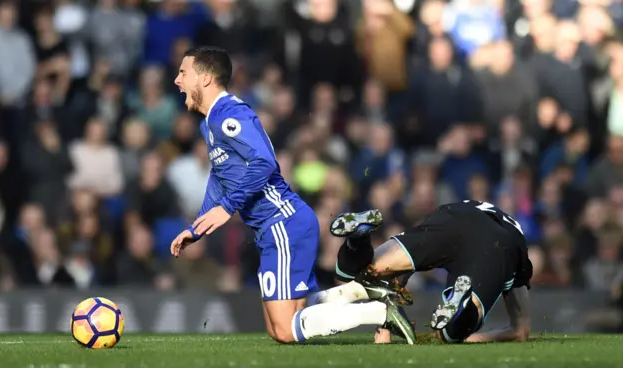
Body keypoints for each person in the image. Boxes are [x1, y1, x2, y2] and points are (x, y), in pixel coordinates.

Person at [170, 46, 413, 344]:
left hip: (283, 223)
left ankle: (379, 313)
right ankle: (360, 292)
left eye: (183, 73)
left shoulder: (229, 114)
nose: (177, 80)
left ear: (205, 79)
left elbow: (264, 162)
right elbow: (220, 177)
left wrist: (228, 208)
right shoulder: (210, 122)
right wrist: (197, 228)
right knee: (280, 328)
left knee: (286, 330)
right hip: (274, 227)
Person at [314, 200, 532, 344]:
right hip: (499, 245)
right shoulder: (518, 249)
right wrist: (470, 337)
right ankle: (461, 308)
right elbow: (519, 331)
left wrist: (384, 326)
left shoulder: (470, 207)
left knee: (359, 277)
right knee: (450, 334)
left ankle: (357, 240)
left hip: (453, 216)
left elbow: (396, 279)